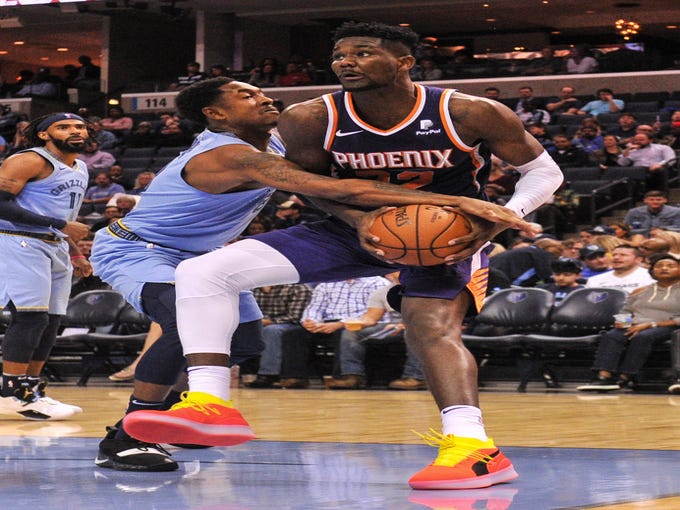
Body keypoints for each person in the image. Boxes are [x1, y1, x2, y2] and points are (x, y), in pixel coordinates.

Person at [120, 23, 562, 491]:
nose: (345, 62)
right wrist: (357, 222)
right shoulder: (310, 118)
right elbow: (316, 188)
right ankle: (211, 403)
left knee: (429, 326)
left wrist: (498, 220)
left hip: (449, 234)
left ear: (404, 62)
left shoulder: (469, 111)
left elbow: (543, 172)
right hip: (352, 227)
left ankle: (473, 448)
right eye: (340, 55)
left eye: (363, 53)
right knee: (205, 270)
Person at [0, 112, 91, 420]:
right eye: (63, 127)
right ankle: (10, 390)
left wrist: (75, 250)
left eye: (79, 126)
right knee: (30, 318)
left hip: (54, 246)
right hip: (17, 240)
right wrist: (59, 225)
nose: (75, 130)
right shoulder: (29, 160)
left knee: (51, 321)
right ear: (43, 134)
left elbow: (65, 220)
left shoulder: (80, 167)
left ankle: (30, 389)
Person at [577, 253, 680, 391]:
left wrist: (651, 324)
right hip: (636, 325)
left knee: (643, 336)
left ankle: (626, 376)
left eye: (670, 266)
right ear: (652, 271)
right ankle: (603, 377)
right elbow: (625, 310)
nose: (664, 268)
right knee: (612, 335)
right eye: (659, 266)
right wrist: (623, 323)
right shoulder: (641, 290)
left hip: (668, 326)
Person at [277, 276, 391, 389]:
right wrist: (312, 322)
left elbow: (372, 316)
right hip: (325, 323)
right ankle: (296, 377)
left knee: (346, 332)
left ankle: (342, 376)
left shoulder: (377, 283)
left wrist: (340, 324)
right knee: (293, 334)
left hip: (362, 324)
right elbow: (314, 308)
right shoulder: (326, 283)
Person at [327, 273, 425, 390]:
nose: (392, 274)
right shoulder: (382, 292)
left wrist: (404, 325)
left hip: (420, 325)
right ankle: (353, 376)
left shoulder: (424, 291)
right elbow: (371, 318)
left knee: (414, 332)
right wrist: (358, 323)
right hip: (392, 325)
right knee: (351, 333)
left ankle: (416, 377)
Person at [244, 283, 314, 388]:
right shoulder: (252, 289)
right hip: (260, 322)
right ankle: (239, 373)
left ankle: (268, 374)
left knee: (271, 331)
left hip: (291, 324)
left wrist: (266, 322)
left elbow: (295, 316)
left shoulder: (299, 288)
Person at [584, 244, 654, 294]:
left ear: (638, 259)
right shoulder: (594, 280)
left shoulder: (651, 277)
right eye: (614, 255)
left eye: (623, 255)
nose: (616, 257)